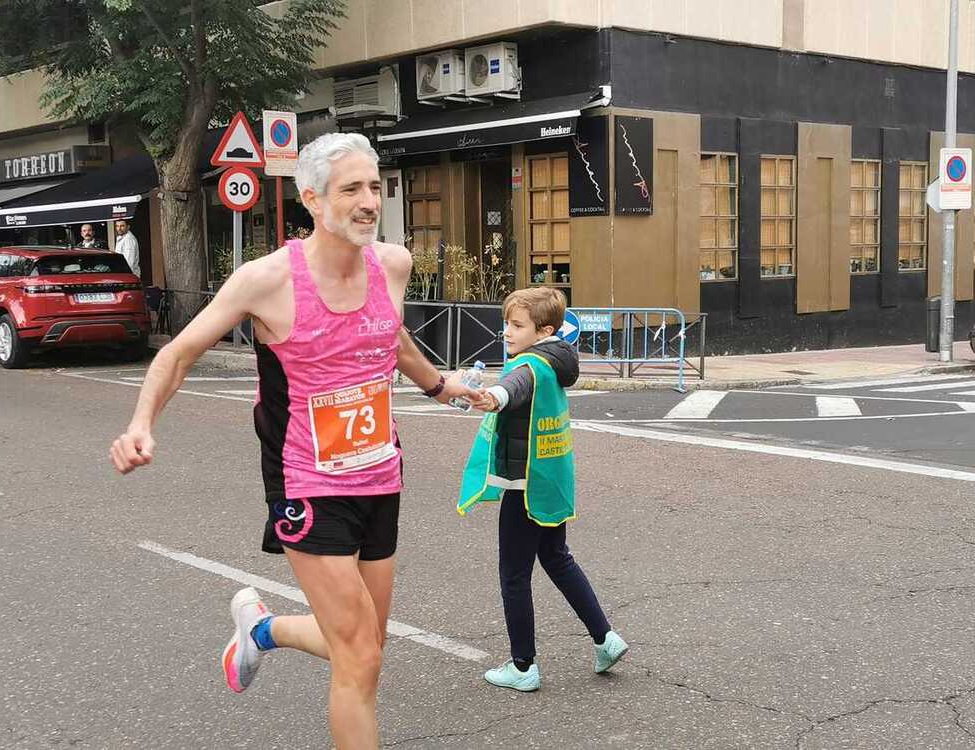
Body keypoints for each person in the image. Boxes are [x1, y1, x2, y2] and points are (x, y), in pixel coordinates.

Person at [108, 132, 477, 749]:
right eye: (351, 188)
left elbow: (389, 336)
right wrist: (140, 424)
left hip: (380, 474)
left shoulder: (393, 263)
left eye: (374, 186)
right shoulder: (267, 280)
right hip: (307, 480)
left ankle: (261, 630)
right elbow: (179, 352)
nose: (368, 201)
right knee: (359, 658)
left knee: (365, 643)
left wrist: (442, 387)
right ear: (311, 198)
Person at [460, 287, 628, 692]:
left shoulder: (531, 365)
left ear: (544, 329)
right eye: (506, 323)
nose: (507, 332)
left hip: (525, 486)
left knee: (514, 574)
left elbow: (513, 387)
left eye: (517, 325)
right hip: (551, 480)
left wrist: (491, 397)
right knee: (556, 557)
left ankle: (523, 667)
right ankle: (606, 639)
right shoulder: (557, 358)